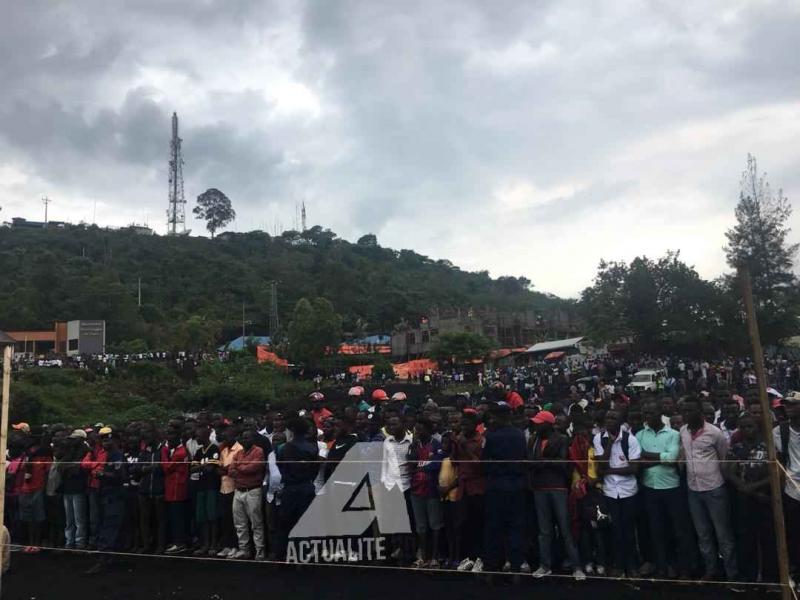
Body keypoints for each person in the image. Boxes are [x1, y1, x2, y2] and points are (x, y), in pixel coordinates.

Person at [680, 398, 737, 581]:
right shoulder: (683, 431)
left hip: (714, 489)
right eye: (684, 411)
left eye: (690, 411)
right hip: (693, 489)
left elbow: (723, 458)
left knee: (723, 534)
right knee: (703, 534)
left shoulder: (714, 433)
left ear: (700, 413)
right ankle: (711, 570)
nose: (686, 414)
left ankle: (731, 573)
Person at [636, 400, 692, 578]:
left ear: (660, 413)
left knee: (678, 530)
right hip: (649, 488)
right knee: (656, 530)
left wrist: (647, 456)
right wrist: (660, 458)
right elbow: (636, 460)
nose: (647, 417)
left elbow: (672, 458)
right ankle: (661, 567)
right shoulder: (639, 435)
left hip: (671, 488)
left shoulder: (673, 434)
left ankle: (683, 568)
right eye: (644, 413)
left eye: (650, 413)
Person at [528, 410, 585, 580]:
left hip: (558, 487)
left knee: (565, 528)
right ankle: (545, 565)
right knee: (544, 530)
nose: (536, 425)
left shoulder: (561, 439)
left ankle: (577, 566)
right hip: (539, 487)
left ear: (548, 424)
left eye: (539, 422)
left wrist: (542, 463)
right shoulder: (533, 440)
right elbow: (530, 462)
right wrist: (545, 463)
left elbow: (562, 463)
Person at [724, 414, 776, 582]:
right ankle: (748, 575)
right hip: (744, 498)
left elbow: (776, 474)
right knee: (746, 538)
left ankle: (770, 577)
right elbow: (728, 471)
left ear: (757, 427)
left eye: (750, 426)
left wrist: (754, 488)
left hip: (765, 497)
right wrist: (747, 489)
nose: (747, 430)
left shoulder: (768, 447)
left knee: (768, 538)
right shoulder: (736, 448)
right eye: (743, 427)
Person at [481, 403, 527, 576]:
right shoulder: (520, 434)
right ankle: (515, 568)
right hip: (516, 486)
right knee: (516, 527)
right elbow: (524, 458)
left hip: (496, 486)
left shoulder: (491, 436)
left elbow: (483, 462)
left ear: (498, 417)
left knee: (494, 528)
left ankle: (492, 568)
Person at [594, 409, 641, 577]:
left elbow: (634, 468)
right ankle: (618, 564)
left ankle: (632, 565)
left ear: (621, 420)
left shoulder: (631, 440)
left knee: (629, 529)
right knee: (615, 529)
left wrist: (609, 471)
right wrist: (609, 444)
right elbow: (601, 465)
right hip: (610, 491)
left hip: (628, 491)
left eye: (613, 417)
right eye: (607, 417)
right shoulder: (599, 438)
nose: (609, 420)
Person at [275, 419, 317, 560]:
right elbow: (314, 469)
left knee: (285, 523)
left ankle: (282, 556)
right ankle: (302, 557)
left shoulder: (284, 448)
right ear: (306, 431)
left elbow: (280, 466)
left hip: (290, 488)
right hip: (306, 487)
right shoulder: (312, 447)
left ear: (292, 431)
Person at [408, 418, 444, 568]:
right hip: (416, 490)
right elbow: (410, 464)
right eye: (416, 429)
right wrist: (419, 462)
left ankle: (435, 556)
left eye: (421, 429)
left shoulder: (436, 444)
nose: (418, 432)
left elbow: (437, 463)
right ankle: (423, 556)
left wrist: (420, 467)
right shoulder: (414, 445)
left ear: (429, 430)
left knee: (435, 524)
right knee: (420, 526)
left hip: (432, 490)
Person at [452, 411, 485, 573]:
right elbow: (454, 461)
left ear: (474, 425)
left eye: (466, 424)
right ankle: (470, 557)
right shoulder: (460, 439)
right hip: (463, 487)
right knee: (463, 524)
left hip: (477, 487)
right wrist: (455, 444)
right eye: (462, 424)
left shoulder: (480, 440)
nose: (463, 427)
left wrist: (465, 446)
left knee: (478, 523)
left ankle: (480, 558)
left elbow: (480, 465)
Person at [230, 429, 266, 560]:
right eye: (243, 438)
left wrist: (239, 468)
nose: (245, 440)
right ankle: (244, 550)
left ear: (253, 439)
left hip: (253, 490)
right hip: (238, 491)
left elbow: (253, 468)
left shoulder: (259, 451)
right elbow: (230, 470)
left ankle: (259, 551)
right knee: (240, 524)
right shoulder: (239, 452)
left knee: (256, 523)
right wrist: (242, 468)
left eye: (248, 438)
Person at [774, 398, 800, 582]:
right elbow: (780, 459)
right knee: (794, 534)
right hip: (792, 491)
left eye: (793, 404)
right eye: (786, 405)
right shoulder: (779, 431)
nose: (788, 408)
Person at [191, 425, 221, 556]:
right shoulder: (198, 451)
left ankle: (214, 544)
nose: (196, 438)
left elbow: (211, 469)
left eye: (198, 436)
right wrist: (204, 466)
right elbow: (191, 469)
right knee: (202, 517)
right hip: (201, 487)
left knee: (212, 517)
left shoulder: (214, 449)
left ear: (205, 436)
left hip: (212, 487)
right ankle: (205, 544)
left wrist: (201, 466)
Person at [137, 426, 166, 555]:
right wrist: (146, 469)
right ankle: (146, 545)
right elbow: (136, 469)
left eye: (147, 437)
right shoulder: (144, 452)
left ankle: (160, 545)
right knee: (144, 519)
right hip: (144, 489)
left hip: (159, 490)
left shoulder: (163, 450)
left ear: (154, 437)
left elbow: (164, 468)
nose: (145, 440)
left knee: (160, 520)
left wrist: (153, 468)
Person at [162, 429, 190, 554]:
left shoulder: (179, 452)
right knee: (175, 517)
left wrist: (163, 452)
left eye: (169, 440)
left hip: (176, 490)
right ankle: (177, 541)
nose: (168, 443)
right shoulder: (180, 450)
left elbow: (167, 467)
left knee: (177, 518)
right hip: (174, 488)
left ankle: (180, 543)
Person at [216, 427, 242, 558]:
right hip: (223, 488)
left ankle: (236, 546)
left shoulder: (240, 449)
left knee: (235, 520)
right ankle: (227, 546)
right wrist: (227, 469)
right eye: (224, 437)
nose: (226, 439)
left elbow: (236, 469)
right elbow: (219, 469)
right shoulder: (224, 450)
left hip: (235, 488)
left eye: (228, 437)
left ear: (235, 436)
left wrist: (227, 469)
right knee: (225, 519)